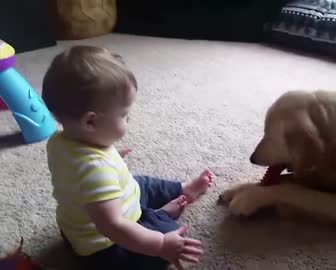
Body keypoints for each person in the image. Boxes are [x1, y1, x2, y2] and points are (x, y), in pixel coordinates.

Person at [42, 45, 214, 270]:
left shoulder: (59, 140)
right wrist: (162, 245)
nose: (128, 120)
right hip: (105, 247)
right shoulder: (96, 171)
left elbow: (77, 175)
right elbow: (113, 227)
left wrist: (112, 161)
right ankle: (160, 215)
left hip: (76, 228)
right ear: (90, 122)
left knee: (140, 183)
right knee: (170, 238)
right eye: (124, 115)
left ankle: (183, 189)